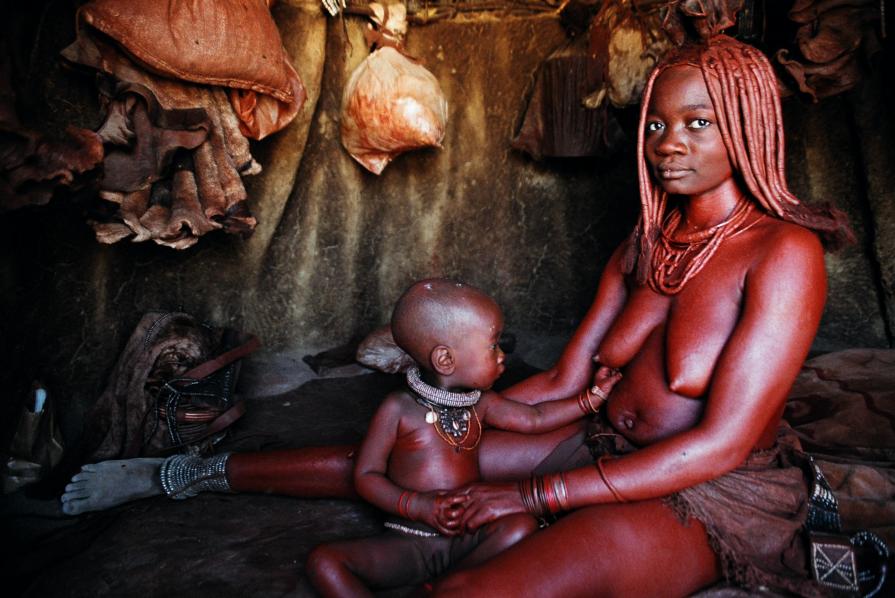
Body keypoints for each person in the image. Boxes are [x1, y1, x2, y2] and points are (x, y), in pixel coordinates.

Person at [61, 34, 853, 597]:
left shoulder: (781, 253)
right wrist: (455, 416)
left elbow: (719, 444)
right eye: (654, 123)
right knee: (417, 455)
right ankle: (183, 473)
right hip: (597, 437)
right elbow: (571, 380)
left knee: (476, 589)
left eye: (695, 123)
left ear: (748, 125)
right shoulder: (645, 241)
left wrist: (535, 497)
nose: (664, 144)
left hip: (700, 489)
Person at [306, 279, 621, 596]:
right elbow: (365, 475)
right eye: (493, 345)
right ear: (445, 360)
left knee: (521, 526)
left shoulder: (480, 403)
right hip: (411, 540)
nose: (502, 355)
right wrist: (417, 506)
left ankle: (442, 589)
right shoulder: (398, 409)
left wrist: (590, 399)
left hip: (466, 537)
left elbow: (535, 418)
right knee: (326, 562)